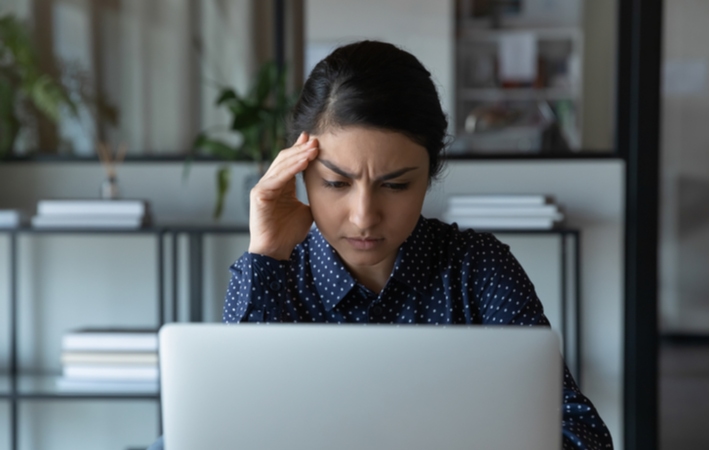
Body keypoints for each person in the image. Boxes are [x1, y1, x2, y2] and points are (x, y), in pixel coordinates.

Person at [149, 40, 613, 450]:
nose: (364, 216)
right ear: (300, 170)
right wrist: (266, 254)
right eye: (335, 183)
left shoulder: (477, 270)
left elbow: (580, 436)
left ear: (429, 175)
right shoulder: (274, 271)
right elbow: (225, 428)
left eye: (395, 186)